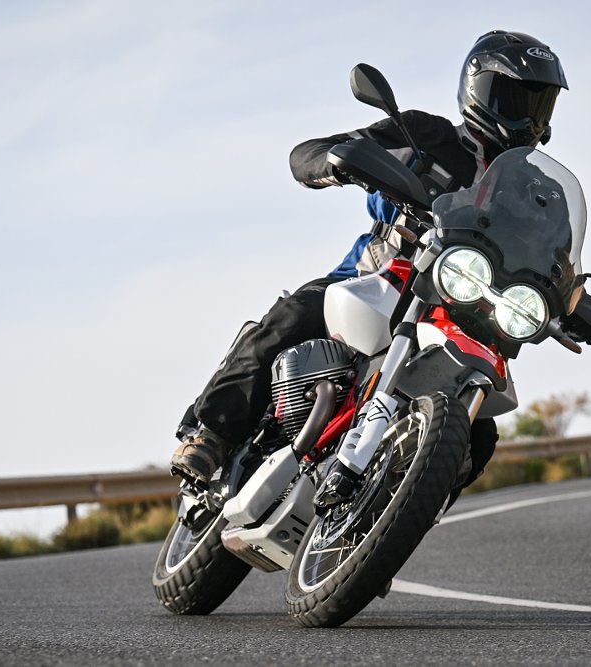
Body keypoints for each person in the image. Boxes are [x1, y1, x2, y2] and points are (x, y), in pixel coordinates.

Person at [171, 30, 568, 497]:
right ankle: (211, 434)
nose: (529, 118)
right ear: (479, 90)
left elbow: (557, 262)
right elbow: (314, 152)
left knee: (476, 434)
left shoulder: (540, 193)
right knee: (293, 318)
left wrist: (568, 298)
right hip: (377, 279)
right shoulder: (423, 135)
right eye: (516, 98)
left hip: (461, 315)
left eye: (539, 105)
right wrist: (336, 162)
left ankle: (374, 527)